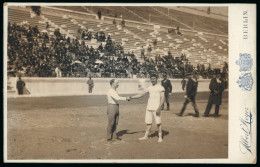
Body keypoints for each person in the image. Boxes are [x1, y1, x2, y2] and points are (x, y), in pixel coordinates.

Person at [130, 73, 165, 142]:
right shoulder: (149, 87)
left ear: (156, 79)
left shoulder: (160, 87)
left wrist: (159, 108)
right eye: (151, 78)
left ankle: (160, 137)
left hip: (156, 108)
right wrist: (131, 97)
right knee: (148, 123)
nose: (152, 80)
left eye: (154, 78)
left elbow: (163, 98)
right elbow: (141, 94)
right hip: (149, 107)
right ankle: (146, 136)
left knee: (158, 123)